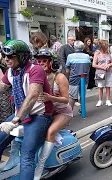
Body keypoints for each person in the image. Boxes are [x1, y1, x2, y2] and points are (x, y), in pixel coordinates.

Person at [0, 40, 53, 179]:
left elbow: (33, 95)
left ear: (22, 56)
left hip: (39, 115)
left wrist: (16, 120)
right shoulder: (11, 72)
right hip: (21, 114)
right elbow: (2, 87)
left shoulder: (35, 70)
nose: (6, 59)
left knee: (26, 155)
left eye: (11, 56)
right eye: (4, 55)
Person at [33, 48, 73, 179]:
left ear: (52, 62)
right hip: (45, 112)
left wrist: (51, 98)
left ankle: (40, 167)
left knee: (50, 132)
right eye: (38, 61)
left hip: (62, 112)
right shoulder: (37, 76)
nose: (41, 63)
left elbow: (66, 99)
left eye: (44, 61)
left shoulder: (59, 77)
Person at [65, 40, 91, 111]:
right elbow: (88, 68)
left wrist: (67, 77)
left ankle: (70, 111)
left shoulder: (70, 56)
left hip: (73, 78)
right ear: (83, 47)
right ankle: (83, 110)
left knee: (72, 96)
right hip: (85, 78)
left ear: (74, 47)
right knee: (82, 95)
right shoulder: (87, 56)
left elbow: (67, 69)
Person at [92, 40, 112, 107]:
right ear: (102, 46)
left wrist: (109, 65)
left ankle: (108, 100)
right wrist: (101, 67)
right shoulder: (97, 53)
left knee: (108, 86)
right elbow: (94, 64)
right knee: (100, 86)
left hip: (109, 72)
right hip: (100, 72)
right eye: (106, 46)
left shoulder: (108, 53)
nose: (107, 47)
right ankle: (100, 100)